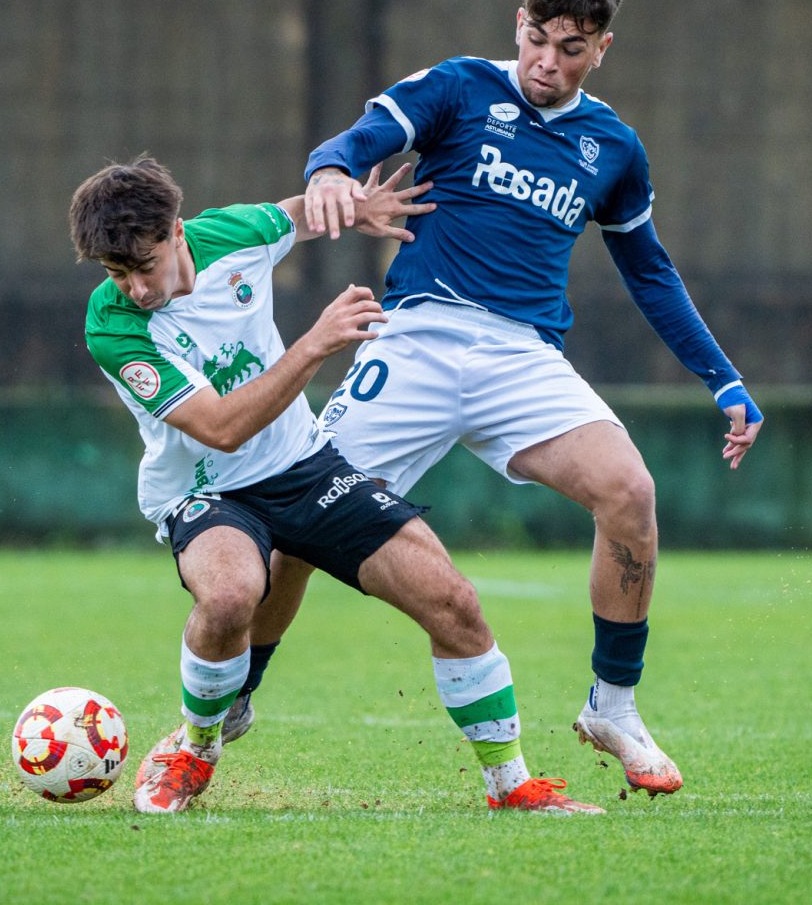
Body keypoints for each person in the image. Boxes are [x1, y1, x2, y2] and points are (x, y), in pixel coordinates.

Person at [260, 0, 765, 797]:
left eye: (571, 48)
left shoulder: (613, 146)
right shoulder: (460, 87)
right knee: (294, 531)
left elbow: (649, 271)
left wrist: (724, 379)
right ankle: (224, 706)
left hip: (523, 358)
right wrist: (330, 175)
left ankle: (614, 705)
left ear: (602, 47)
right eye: (537, 38)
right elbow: (354, 140)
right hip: (414, 339)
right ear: (517, 24)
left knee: (630, 493)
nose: (546, 62)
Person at [69, 154, 601, 815]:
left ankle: (511, 785)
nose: (135, 289)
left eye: (142, 267)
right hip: (206, 490)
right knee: (232, 595)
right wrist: (314, 345)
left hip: (303, 466)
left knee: (453, 601)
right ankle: (197, 745)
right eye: (117, 274)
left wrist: (356, 209)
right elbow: (221, 428)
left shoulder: (233, 232)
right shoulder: (112, 324)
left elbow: (295, 215)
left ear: (179, 232)